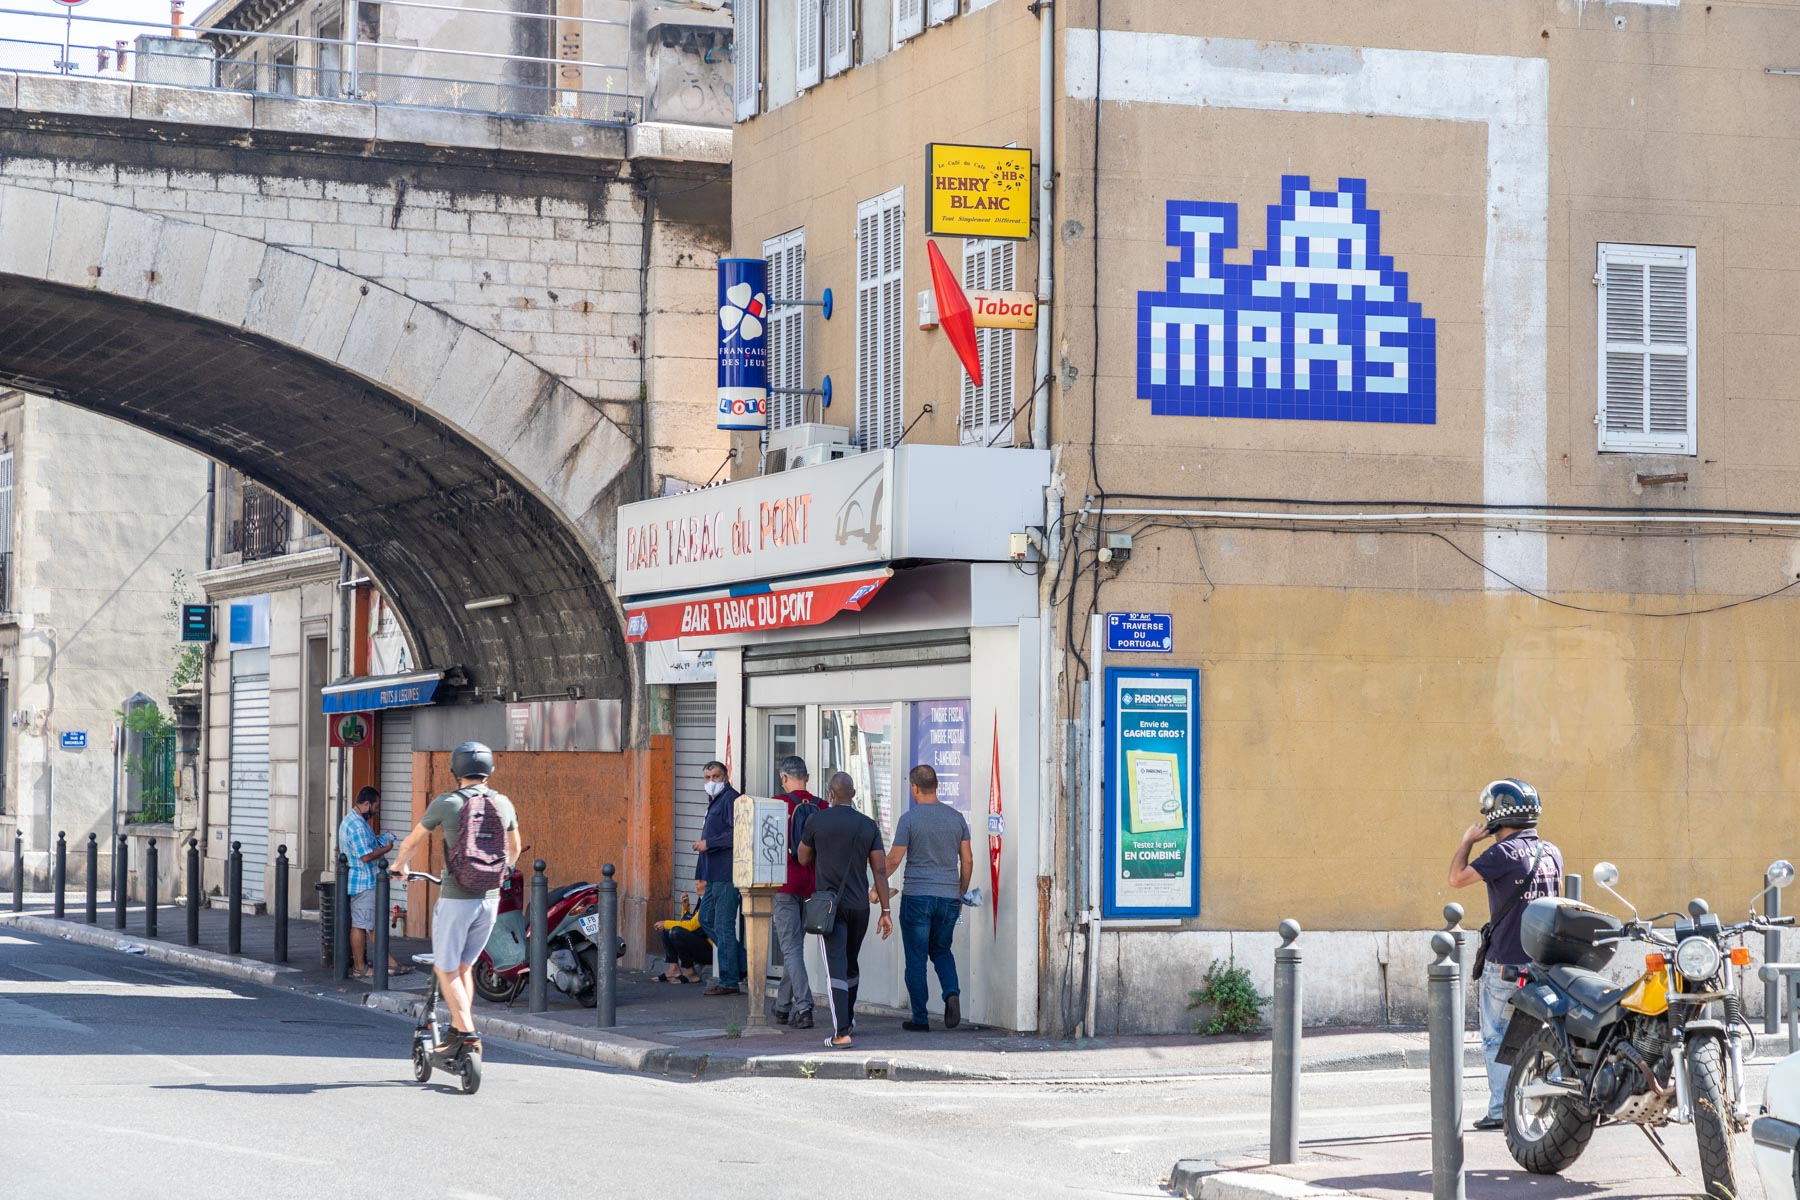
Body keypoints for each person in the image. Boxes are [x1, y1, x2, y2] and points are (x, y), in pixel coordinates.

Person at [389, 741, 520, 1056]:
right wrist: (498, 873)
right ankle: (458, 1031)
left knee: (445, 969)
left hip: (456, 898)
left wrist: (399, 866)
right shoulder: (503, 803)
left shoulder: (447, 803)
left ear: (455, 770)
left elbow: (412, 840)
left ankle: (469, 1032)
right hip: (490, 900)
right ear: (489, 770)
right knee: (464, 968)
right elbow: (514, 849)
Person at [1447, 778, 1563, 1132]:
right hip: (1542, 960)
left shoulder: (1502, 853)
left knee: (1497, 1036)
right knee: (1540, 1033)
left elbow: (1455, 879)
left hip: (1506, 963)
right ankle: (1552, 1101)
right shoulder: (1552, 852)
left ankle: (1501, 1108)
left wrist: (1468, 840)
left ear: (1497, 817)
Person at [798, 771, 891, 1049]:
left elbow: (803, 857)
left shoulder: (816, 820)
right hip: (860, 906)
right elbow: (880, 869)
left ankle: (841, 1033)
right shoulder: (867, 825)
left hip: (830, 907)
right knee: (851, 963)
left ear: (830, 793)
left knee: (835, 967)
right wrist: (886, 910)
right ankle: (848, 1018)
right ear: (853, 795)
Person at [879, 764, 972, 1032]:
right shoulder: (956, 818)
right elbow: (967, 859)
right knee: (941, 950)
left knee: (916, 957)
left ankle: (920, 1018)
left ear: (914, 787)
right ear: (938, 786)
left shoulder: (909, 819)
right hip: (948, 897)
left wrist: (877, 882)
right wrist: (960, 891)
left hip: (917, 896)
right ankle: (951, 993)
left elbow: (894, 859)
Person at [771, 755, 826, 1028]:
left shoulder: (777, 805)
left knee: (791, 948)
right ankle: (782, 1006)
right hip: (813, 886)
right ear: (808, 776)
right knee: (794, 948)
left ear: (784, 778)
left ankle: (803, 1007)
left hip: (785, 884)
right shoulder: (822, 806)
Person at [336, 785, 411, 980]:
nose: (377, 810)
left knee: (370, 924)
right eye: (376, 806)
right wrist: (386, 849)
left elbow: (366, 846)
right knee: (362, 925)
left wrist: (378, 840)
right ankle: (360, 968)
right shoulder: (358, 826)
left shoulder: (354, 820)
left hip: (362, 881)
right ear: (367, 803)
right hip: (364, 881)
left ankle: (389, 963)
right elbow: (366, 856)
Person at [693, 760, 745, 997]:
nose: (710, 782)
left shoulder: (731, 800)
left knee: (723, 925)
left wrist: (709, 843)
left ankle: (729, 979)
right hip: (712, 875)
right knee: (706, 919)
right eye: (707, 777)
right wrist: (700, 876)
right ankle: (742, 964)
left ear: (725, 776)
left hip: (726, 874)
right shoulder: (715, 801)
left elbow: (739, 834)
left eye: (715, 777)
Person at [656, 886, 712, 984]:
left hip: (711, 951)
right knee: (667, 930)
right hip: (701, 944)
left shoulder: (710, 902)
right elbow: (688, 923)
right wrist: (685, 908)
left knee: (676, 931)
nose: (697, 884)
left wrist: (666, 923)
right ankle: (673, 969)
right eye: (697, 881)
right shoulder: (702, 900)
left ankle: (690, 972)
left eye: (701, 881)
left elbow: (691, 926)